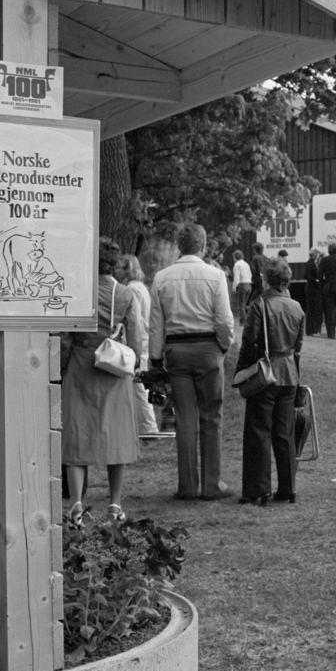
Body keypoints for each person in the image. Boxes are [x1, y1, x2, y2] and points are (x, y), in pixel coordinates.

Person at [150, 223, 235, 501]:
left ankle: (187, 486)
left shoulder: (162, 277)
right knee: (212, 414)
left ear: (179, 245)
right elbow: (224, 320)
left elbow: (155, 325)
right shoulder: (215, 275)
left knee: (185, 418)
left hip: (177, 349)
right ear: (203, 245)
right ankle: (212, 484)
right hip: (208, 346)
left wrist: (155, 359)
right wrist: (223, 345)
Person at [61, 237, 144, 522]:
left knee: (76, 433)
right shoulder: (125, 294)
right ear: (116, 263)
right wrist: (135, 363)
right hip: (112, 364)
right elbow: (135, 335)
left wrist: (61, 366)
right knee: (116, 433)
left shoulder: (78, 292)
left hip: (81, 362)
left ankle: (76, 503)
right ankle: (115, 503)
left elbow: (65, 336)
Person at [236, 258, 305, 505]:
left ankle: (258, 490)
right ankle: (288, 489)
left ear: (266, 279)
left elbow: (249, 343)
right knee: (285, 433)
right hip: (289, 374)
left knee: (259, 431)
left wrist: (241, 373)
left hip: (266, 373)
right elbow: (298, 346)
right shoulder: (296, 307)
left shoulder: (259, 305)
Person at [116, 253, 161, 436]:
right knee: (137, 383)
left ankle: (149, 427)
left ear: (128, 269)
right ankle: (140, 425)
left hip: (138, 339)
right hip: (143, 338)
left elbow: (135, 320)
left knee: (138, 384)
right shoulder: (140, 287)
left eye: (119, 267)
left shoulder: (132, 289)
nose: (115, 271)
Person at [303, 247, 323, 336]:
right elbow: (306, 275)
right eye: (317, 253)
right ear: (314, 254)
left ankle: (314, 329)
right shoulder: (310, 263)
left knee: (315, 309)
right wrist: (316, 280)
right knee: (312, 309)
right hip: (312, 289)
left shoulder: (315, 263)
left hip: (314, 289)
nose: (318, 255)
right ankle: (311, 330)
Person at [231, 249, 252, 324]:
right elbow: (250, 274)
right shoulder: (246, 264)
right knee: (244, 304)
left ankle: (244, 321)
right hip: (249, 284)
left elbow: (236, 277)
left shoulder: (237, 265)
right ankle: (248, 318)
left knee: (241, 305)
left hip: (242, 285)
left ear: (234, 257)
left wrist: (234, 287)